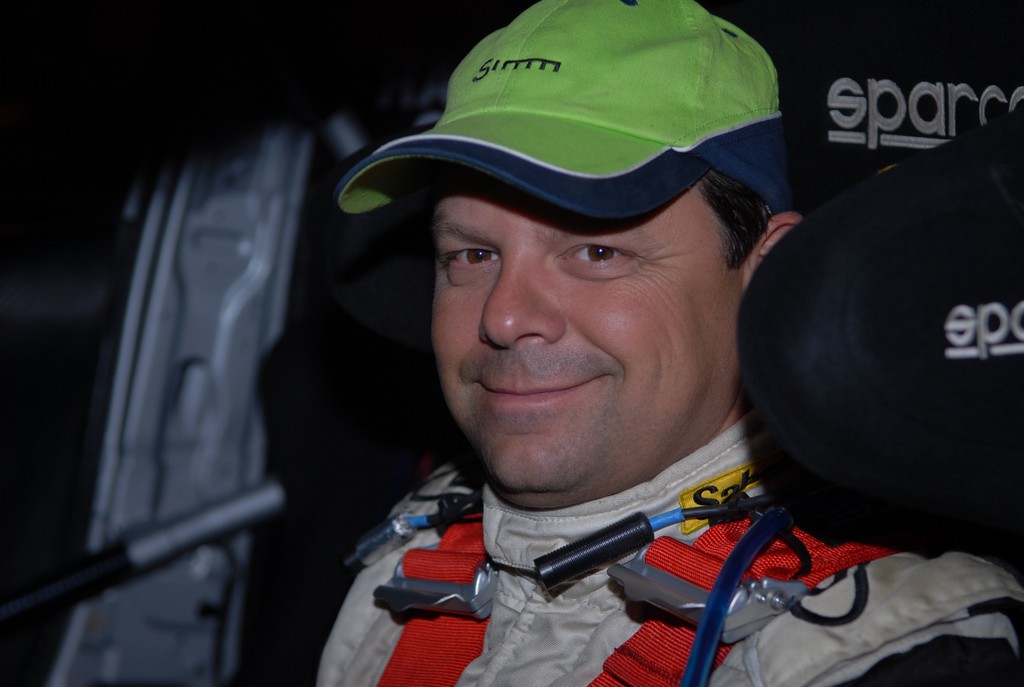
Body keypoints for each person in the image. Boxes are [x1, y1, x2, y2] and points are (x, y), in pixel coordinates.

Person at [317, 1, 1024, 686]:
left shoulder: (877, 650)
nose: (503, 318)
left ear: (767, 275)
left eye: (597, 252)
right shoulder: (408, 571)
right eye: (471, 255)